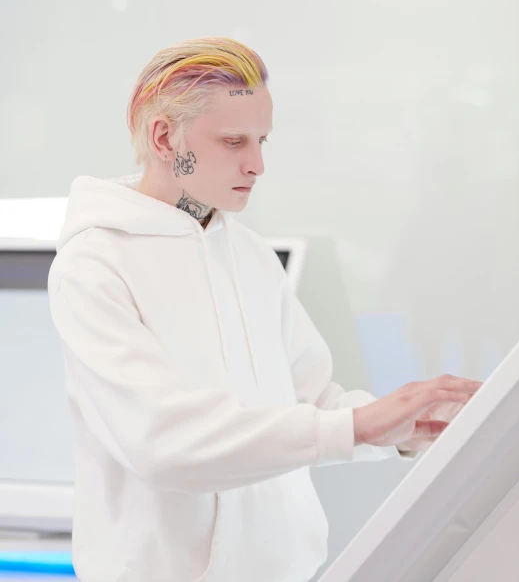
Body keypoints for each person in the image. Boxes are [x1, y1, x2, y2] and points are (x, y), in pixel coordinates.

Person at [48, 37, 482, 582]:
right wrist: (358, 428)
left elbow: (309, 397)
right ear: (164, 137)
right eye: (233, 141)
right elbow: (164, 443)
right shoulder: (94, 266)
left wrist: (404, 428)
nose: (256, 164)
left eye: (261, 140)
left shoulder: (248, 253)